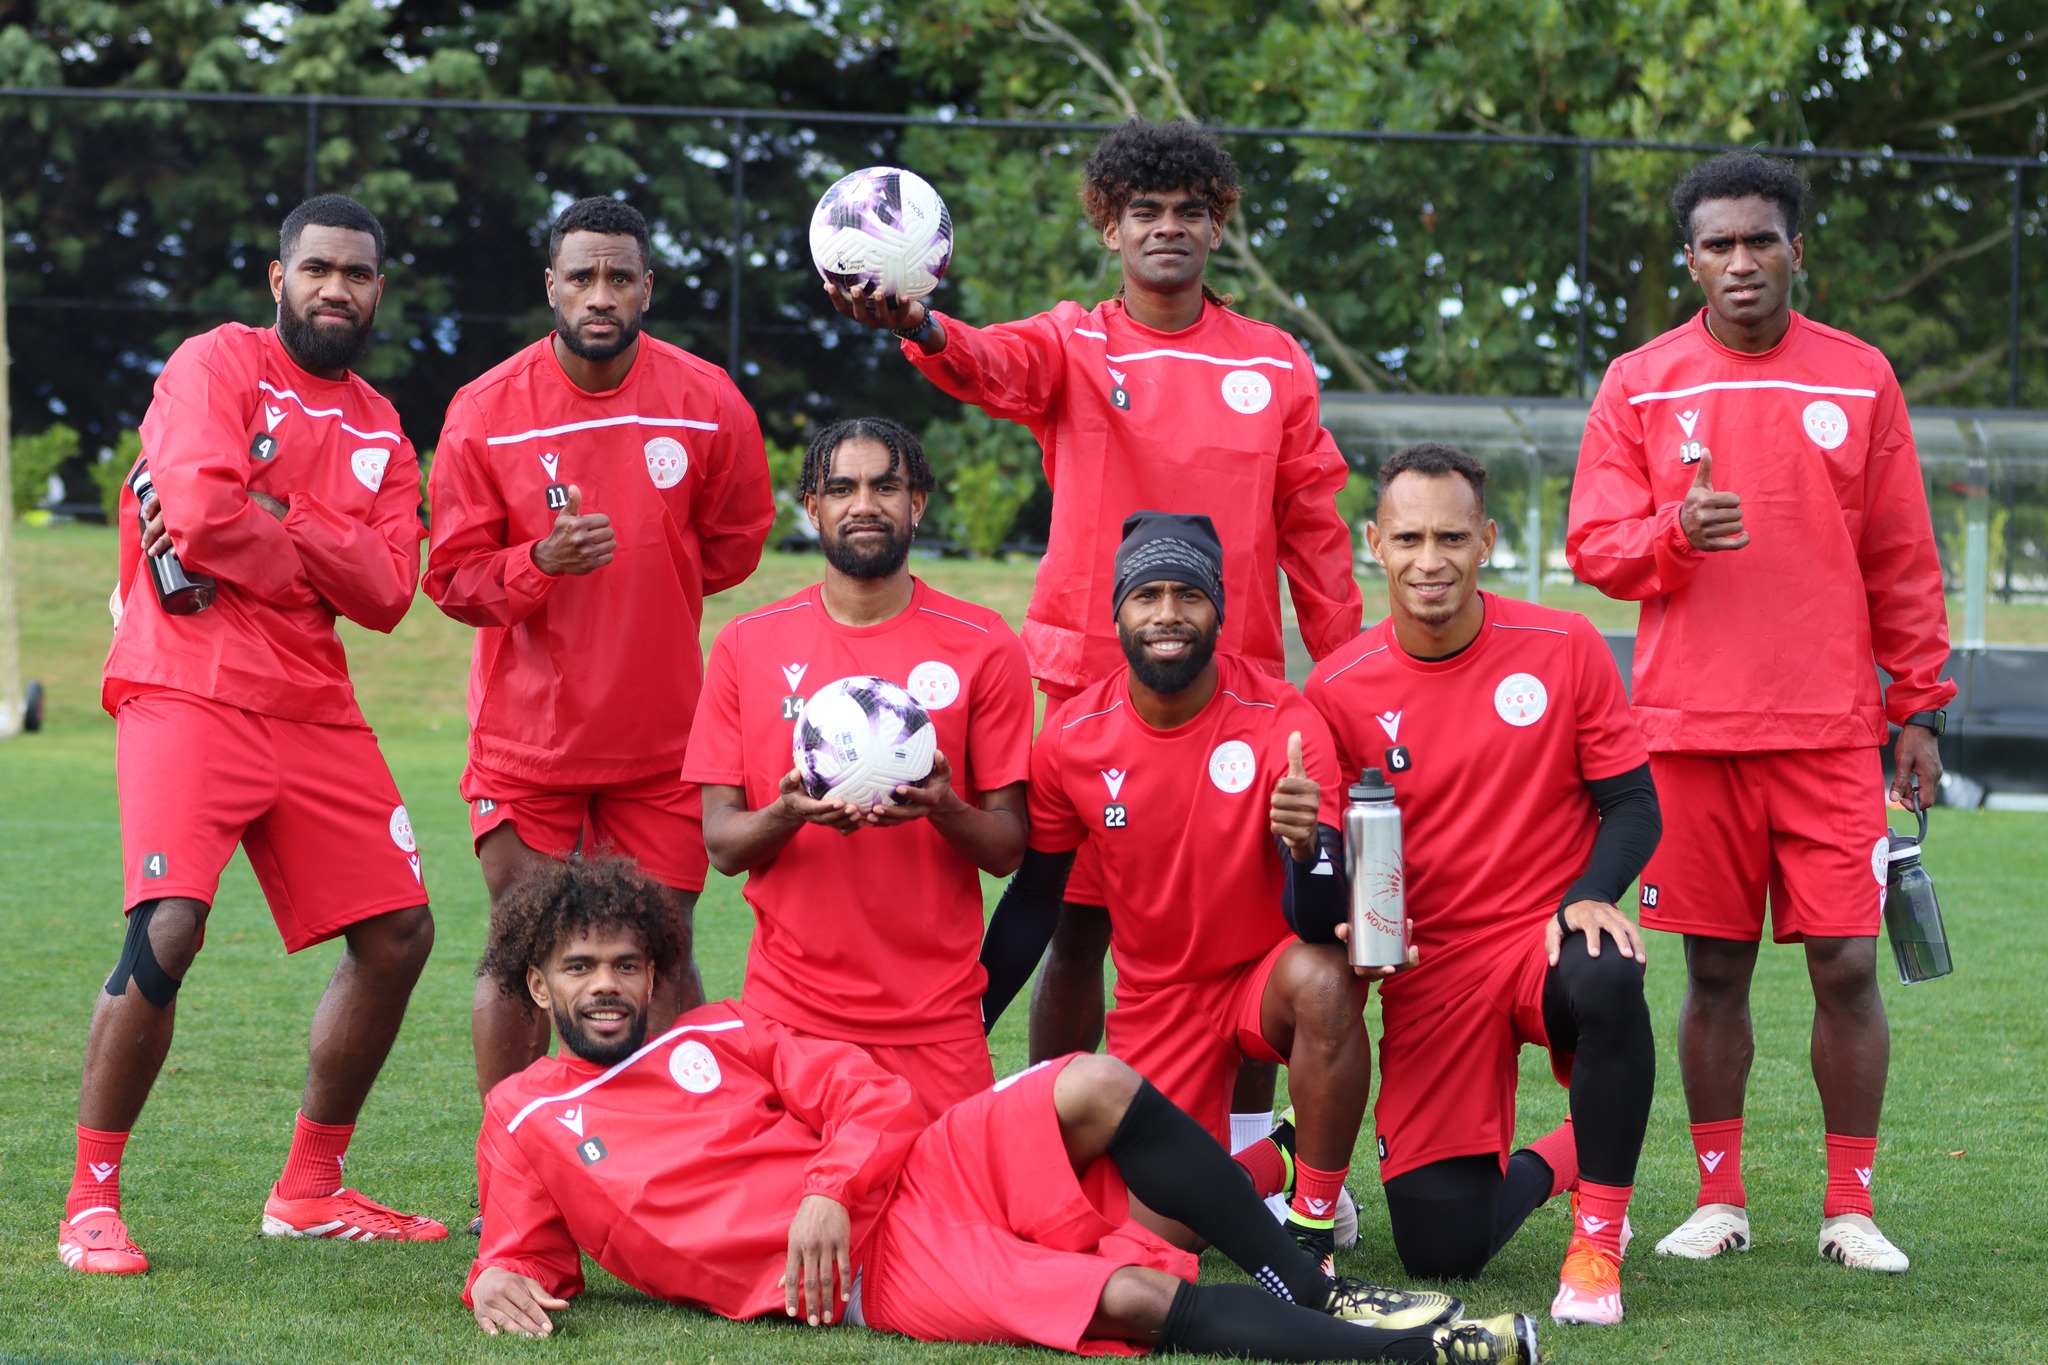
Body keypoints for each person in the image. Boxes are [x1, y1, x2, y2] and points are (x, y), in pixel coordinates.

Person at [829, 116, 1363, 1207]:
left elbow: (1313, 523)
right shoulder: (1073, 342)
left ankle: (1252, 1157)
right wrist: (922, 327)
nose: (1166, 229)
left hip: (1240, 694)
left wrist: (1347, 671)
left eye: (1188, 212)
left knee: (1241, 933)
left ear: (1217, 226)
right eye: (1144, 212)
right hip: (1086, 688)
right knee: (1071, 921)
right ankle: (1047, 1138)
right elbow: (983, 362)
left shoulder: (1269, 360)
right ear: (1109, 227)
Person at [466, 857, 1537, 1362]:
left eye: (624, 964)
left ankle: (1317, 1284)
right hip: (866, 1275)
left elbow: (868, 1097)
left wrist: (831, 1188)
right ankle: (1416, 1355)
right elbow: (523, 1251)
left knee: (1093, 1080)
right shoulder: (522, 1118)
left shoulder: (725, 1033)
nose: (605, 984)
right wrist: (498, 1278)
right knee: (1121, 1294)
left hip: (911, 1176)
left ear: (654, 977)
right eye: (579, 968)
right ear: (539, 988)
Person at [1566, 151, 1955, 1274]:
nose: (1740, 261)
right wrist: (1674, 534)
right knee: (1712, 973)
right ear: (1687, 259)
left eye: (1760, 240)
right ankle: (1718, 1199)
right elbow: (1594, 547)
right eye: (1717, 244)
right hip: (1687, 732)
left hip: (1832, 731)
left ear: (1797, 249)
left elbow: (1899, 554)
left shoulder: (1856, 376)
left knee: (1844, 964)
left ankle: (1848, 1207)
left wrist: (1916, 706)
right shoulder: (1637, 381)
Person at [63, 195, 444, 1275]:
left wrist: (283, 521)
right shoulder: (216, 364)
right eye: (317, 268)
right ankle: (91, 1201)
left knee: (400, 933)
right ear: (278, 280)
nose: (337, 287)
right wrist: (299, 549)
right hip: (185, 685)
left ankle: (310, 1190)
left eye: (358, 273)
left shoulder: (381, 427)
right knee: (169, 927)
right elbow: (198, 509)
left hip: (314, 704)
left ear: (378, 289)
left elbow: (385, 592)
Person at [979, 512, 1416, 1282]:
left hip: (1261, 980)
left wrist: (1306, 848)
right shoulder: (1075, 737)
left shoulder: (1282, 719)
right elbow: (1036, 896)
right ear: (1118, 611)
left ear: (1219, 609)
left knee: (1322, 979)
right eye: (1147, 595)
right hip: (1160, 1000)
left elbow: (1320, 922)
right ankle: (1277, 1159)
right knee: (1162, 1237)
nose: (1168, 614)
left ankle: (1311, 1223)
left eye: (1189, 594)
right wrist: (971, 1010)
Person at [425, 196, 775, 1113]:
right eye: (582, 276)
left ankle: (674, 1160)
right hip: (528, 744)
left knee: (659, 953)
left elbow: (737, 539)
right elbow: (453, 578)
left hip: (662, 740)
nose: (601, 292)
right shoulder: (485, 410)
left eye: (620, 276)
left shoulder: (707, 400)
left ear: (647, 287)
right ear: (552, 287)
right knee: (523, 956)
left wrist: (654, 568)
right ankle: (515, 1172)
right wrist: (539, 562)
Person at [1304, 443, 1661, 1326]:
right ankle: (1571, 1150)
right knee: (1442, 1246)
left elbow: (1636, 805)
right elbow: (1334, 859)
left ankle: (1597, 1245)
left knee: (1608, 968)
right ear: (1375, 544)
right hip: (1431, 969)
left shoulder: (1563, 644)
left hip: (1541, 936)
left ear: (1487, 540)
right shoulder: (1335, 688)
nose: (1433, 561)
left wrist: (1590, 891)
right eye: (1412, 537)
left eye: (1453, 537)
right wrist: (1347, 913)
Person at [684, 417, 1033, 1120]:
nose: (864, 503)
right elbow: (720, 843)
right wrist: (787, 811)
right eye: (841, 487)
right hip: (793, 1017)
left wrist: (943, 805)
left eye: (886, 486)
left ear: (919, 503)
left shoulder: (983, 643)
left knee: (954, 1224)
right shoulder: (746, 644)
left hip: (935, 1022)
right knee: (797, 1224)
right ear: (812, 507)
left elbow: (1006, 847)